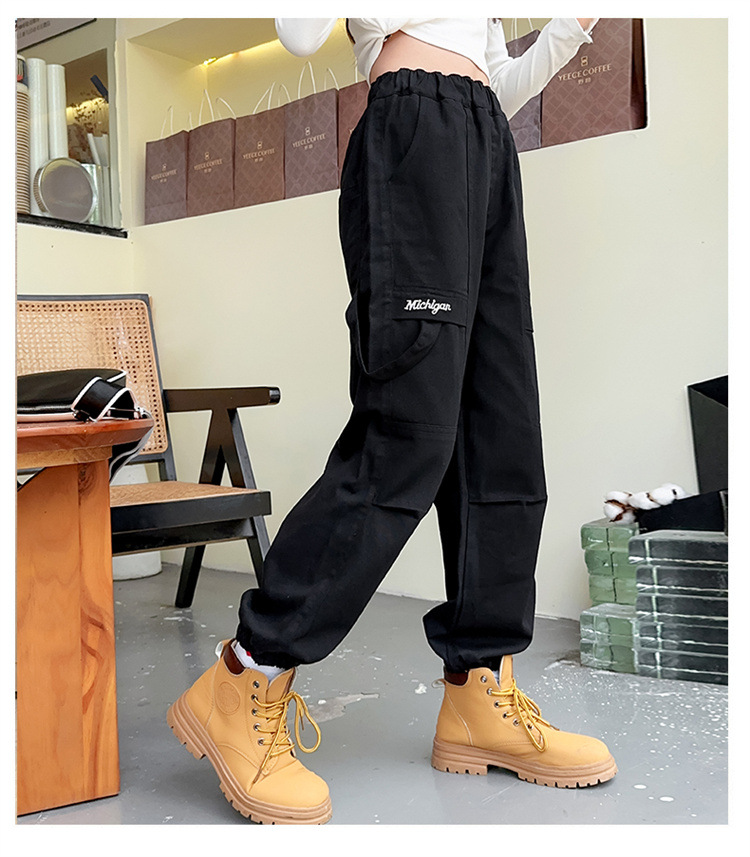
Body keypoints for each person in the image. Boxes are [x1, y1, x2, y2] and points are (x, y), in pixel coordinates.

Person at [167, 18, 617, 825]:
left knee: (502, 434)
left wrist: (567, 30)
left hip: (486, 141)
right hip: (414, 131)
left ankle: (480, 691)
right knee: (407, 435)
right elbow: (298, 33)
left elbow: (496, 81)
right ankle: (246, 674)